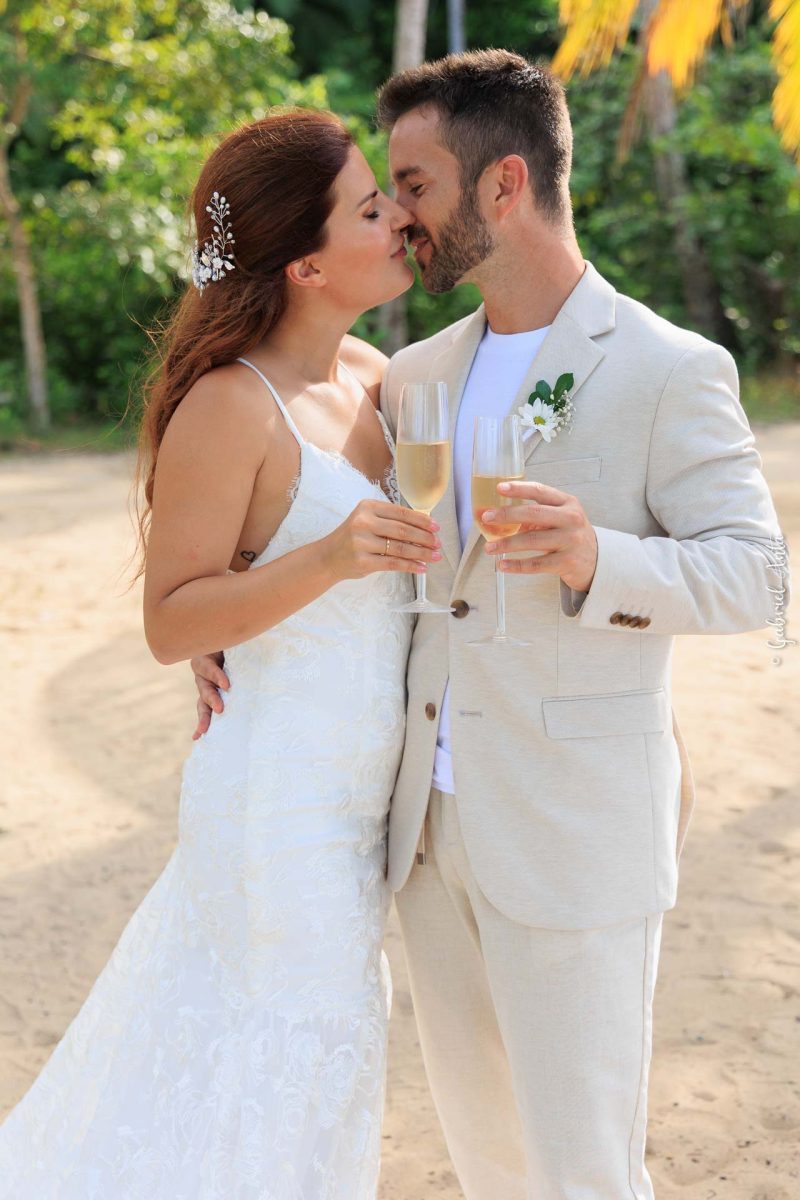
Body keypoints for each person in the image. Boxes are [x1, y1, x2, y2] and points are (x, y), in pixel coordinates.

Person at [192, 51, 789, 1199]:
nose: (397, 216)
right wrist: (230, 630)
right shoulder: (410, 373)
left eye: (414, 185)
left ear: (503, 185)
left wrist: (596, 557)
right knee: (489, 1166)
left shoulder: (668, 368)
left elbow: (759, 579)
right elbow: (331, 536)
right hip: (426, 836)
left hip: (575, 838)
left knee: (581, 1172)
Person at [0, 108, 442, 1198]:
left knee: (310, 1052)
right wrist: (325, 560)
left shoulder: (377, 376)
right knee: (289, 1050)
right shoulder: (230, 405)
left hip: (357, 799)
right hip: (275, 806)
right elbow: (171, 622)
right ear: (304, 264)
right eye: (370, 209)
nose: (398, 220)